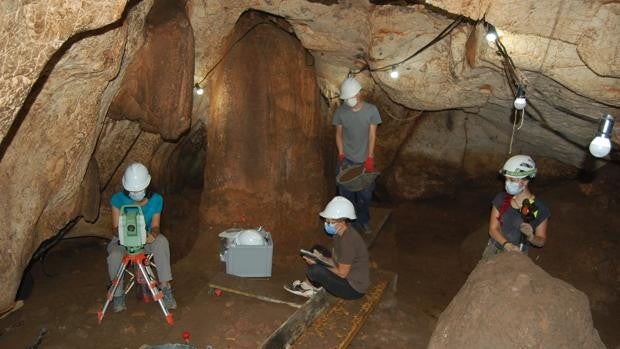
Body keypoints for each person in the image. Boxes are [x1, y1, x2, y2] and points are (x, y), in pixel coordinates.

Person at [106, 162, 177, 312]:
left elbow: (156, 226)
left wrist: (152, 235)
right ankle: (118, 296)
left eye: (139, 189)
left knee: (161, 242)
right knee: (114, 256)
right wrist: (125, 236)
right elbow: (115, 229)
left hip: (145, 238)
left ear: (147, 185)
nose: (135, 192)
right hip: (123, 240)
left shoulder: (156, 199)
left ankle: (165, 288)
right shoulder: (117, 200)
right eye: (132, 190)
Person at [284, 196, 369, 300]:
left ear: (342, 222)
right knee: (317, 250)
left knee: (315, 270)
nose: (327, 224)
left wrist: (319, 264)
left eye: (330, 221)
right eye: (326, 220)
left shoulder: (348, 241)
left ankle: (308, 289)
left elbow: (342, 273)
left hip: (354, 288)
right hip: (347, 275)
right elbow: (336, 261)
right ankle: (311, 285)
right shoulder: (340, 234)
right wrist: (320, 258)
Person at [333, 77, 382, 234]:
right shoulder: (341, 111)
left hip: (364, 160)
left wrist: (370, 157)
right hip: (346, 160)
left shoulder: (371, 110)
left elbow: (372, 135)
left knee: (365, 195)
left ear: (360, 94)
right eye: (346, 98)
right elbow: (338, 134)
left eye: (351, 97)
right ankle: (350, 224)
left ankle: (364, 220)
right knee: (346, 195)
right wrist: (341, 155)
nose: (348, 100)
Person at [481, 155, 551, 259]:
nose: (507, 183)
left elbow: (541, 241)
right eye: (506, 179)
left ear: (525, 181)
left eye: (512, 180)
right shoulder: (501, 199)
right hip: (494, 251)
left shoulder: (539, 208)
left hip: (518, 256)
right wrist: (507, 245)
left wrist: (531, 237)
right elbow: (493, 229)